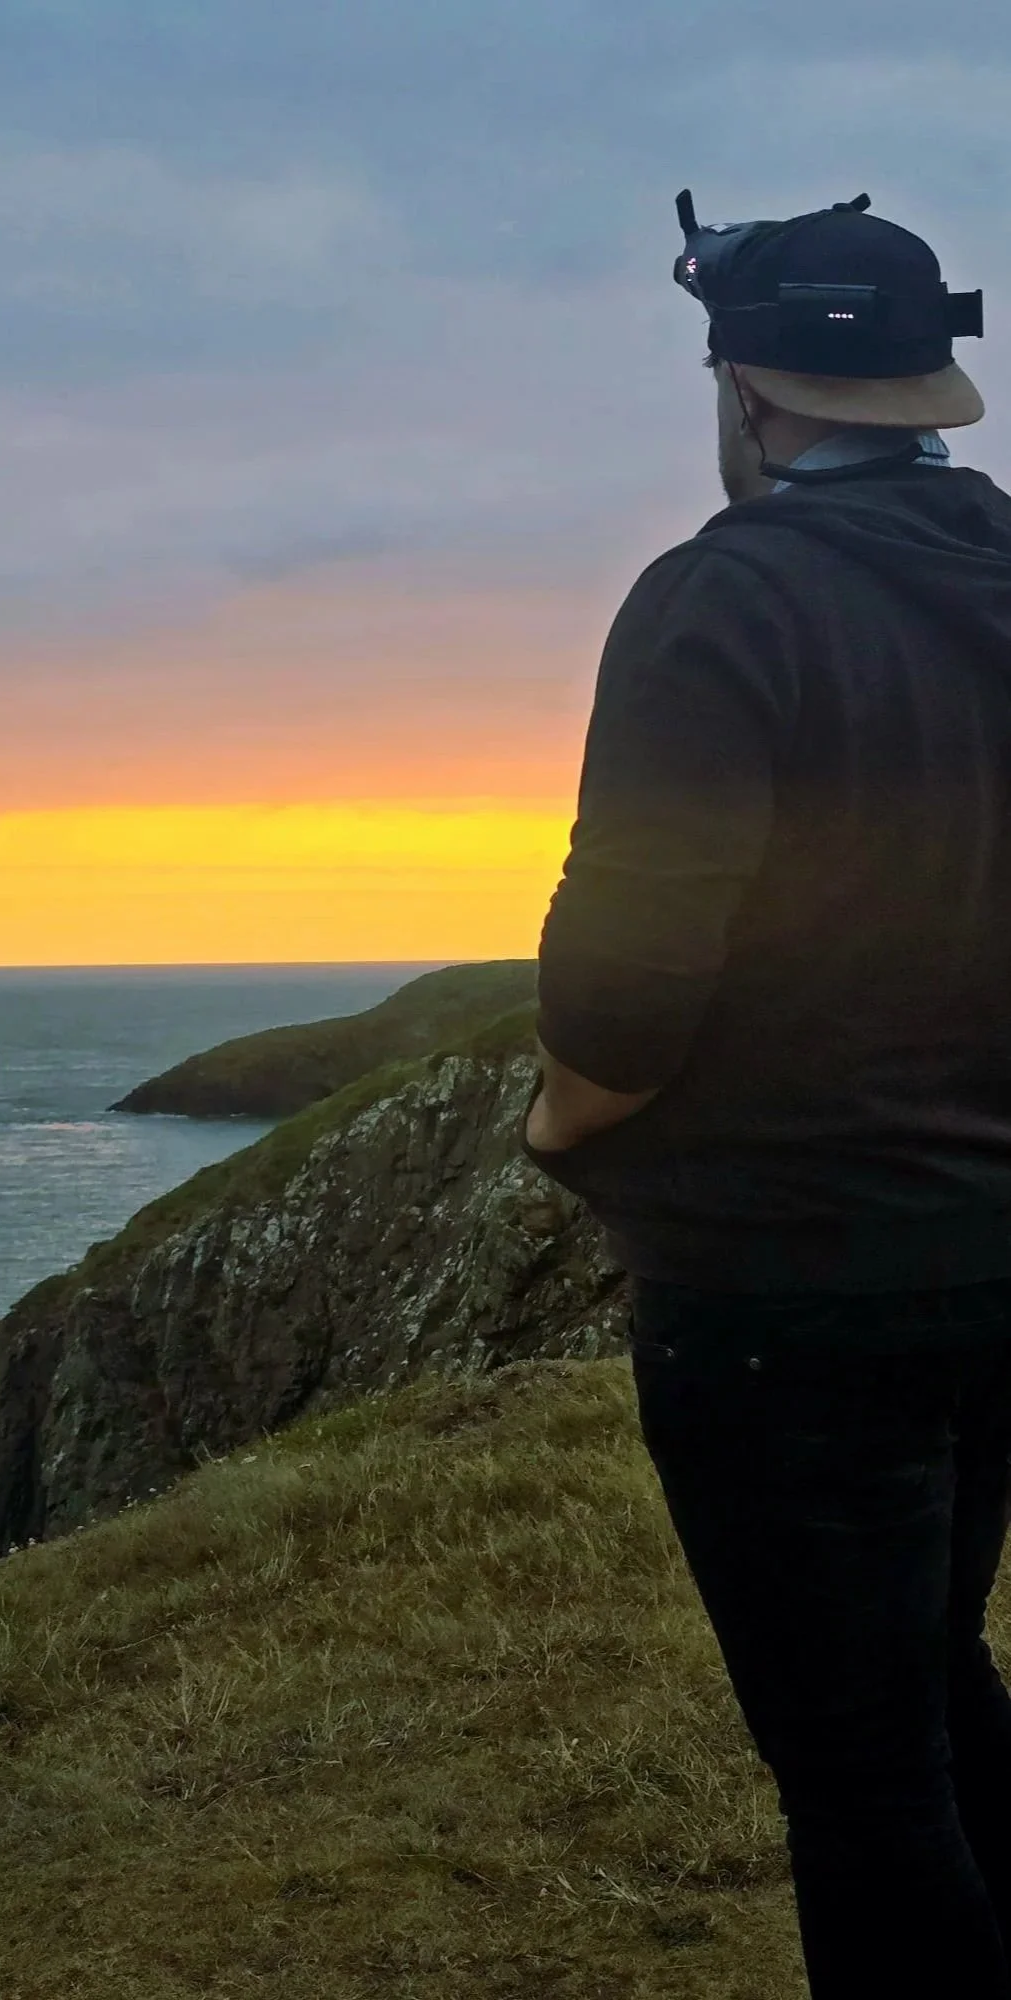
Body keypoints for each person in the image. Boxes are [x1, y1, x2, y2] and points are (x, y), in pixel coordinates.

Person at [520, 188, 1011, 1998]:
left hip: (789, 1288)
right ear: (930, 378)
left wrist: (567, 1119)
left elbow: (629, 976)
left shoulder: (717, 600)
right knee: (929, 1684)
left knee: (865, 1771)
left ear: (743, 384)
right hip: (996, 1260)